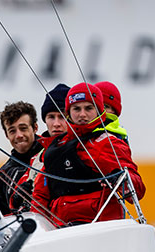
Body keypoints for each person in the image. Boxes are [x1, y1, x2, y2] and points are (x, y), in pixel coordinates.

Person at [29, 82, 145, 225]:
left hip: (100, 229)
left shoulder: (107, 143)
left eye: (89, 108)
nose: (82, 114)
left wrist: (121, 180)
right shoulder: (55, 148)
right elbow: (40, 196)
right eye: (76, 109)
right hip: (62, 231)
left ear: (99, 110)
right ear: (68, 113)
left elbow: (138, 191)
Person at [9, 84, 70, 212]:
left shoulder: (84, 148)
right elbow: (13, 204)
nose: (56, 124)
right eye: (51, 117)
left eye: (62, 117)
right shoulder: (37, 158)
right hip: (44, 226)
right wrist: (16, 198)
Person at [0, 101, 43, 215]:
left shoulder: (51, 155)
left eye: (23, 128)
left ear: (35, 128)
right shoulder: (3, 175)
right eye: (12, 131)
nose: (19, 135)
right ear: (6, 135)